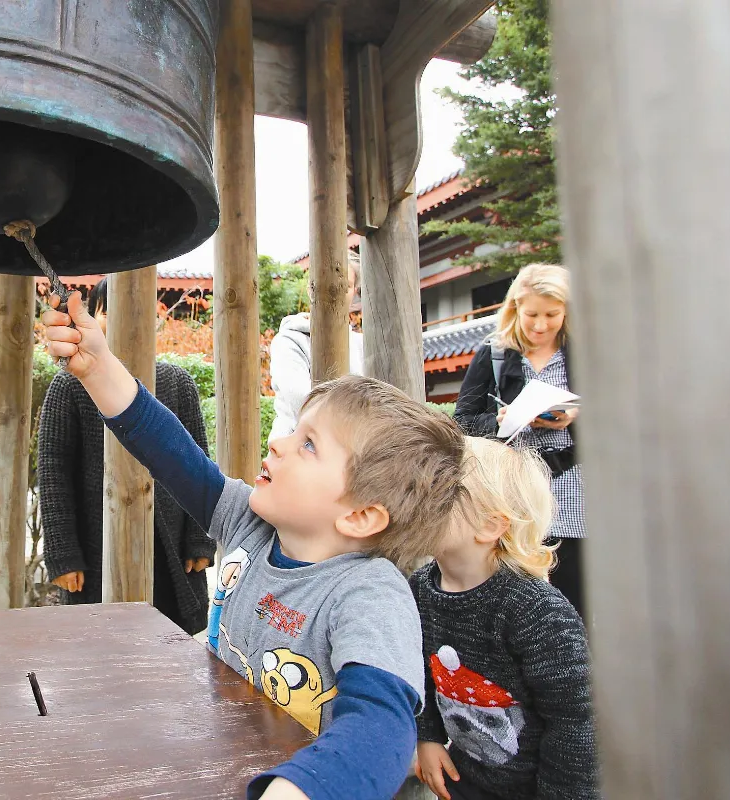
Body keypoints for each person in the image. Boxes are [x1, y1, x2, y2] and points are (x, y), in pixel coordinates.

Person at [41, 291, 467, 800]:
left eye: (308, 444)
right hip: (227, 764)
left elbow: (381, 726)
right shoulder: (249, 521)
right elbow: (164, 445)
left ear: (359, 516)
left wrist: (297, 789)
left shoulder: (369, 595)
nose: (277, 442)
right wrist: (97, 366)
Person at [412, 437, 597, 800]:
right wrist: (428, 736)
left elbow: (577, 723)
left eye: (442, 488)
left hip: (535, 787)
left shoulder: (537, 612)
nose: (419, 496)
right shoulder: (421, 587)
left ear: (490, 526)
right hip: (466, 777)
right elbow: (418, 670)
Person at [38, 279, 215, 635]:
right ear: (92, 318)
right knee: (100, 640)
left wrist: (199, 539)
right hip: (95, 544)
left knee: (171, 641)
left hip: (168, 543)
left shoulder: (177, 382)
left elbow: (198, 461)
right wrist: (63, 554)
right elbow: (54, 474)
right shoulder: (69, 386)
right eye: (106, 311)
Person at [453, 265, 587, 618]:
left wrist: (577, 415)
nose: (540, 325)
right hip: (513, 494)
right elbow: (462, 421)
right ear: (515, 309)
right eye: (531, 315)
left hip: (577, 495)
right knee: (516, 597)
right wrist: (498, 421)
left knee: (574, 600)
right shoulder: (494, 354)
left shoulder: (586, 352)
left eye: (552, 315)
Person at [269, 251, 364, 442]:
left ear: (354, 292)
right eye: (329, 285)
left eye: (345, 286)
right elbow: (302, 403)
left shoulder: (360, 343)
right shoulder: (289, 339)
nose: (336, 292)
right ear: (311, 288)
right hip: (294, 450)